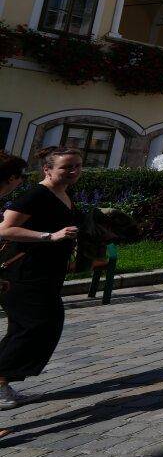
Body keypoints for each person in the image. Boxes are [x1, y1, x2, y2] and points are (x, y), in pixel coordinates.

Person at [0, 148, 84, 410]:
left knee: (29, 328)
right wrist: (49, 236)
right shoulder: (35, 195)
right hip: (23, 274)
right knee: (37, 327)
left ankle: (3, 382)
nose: (74, 171)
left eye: (78, 166)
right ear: (47, 169)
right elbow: (5, 229)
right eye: (66, 167)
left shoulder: (63, 194)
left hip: (46, 273)